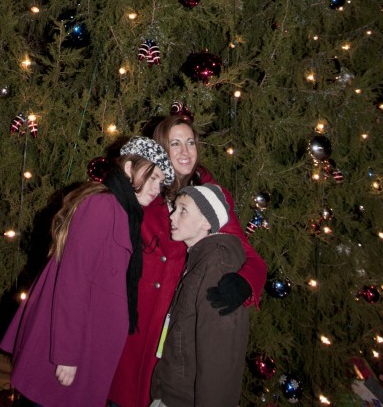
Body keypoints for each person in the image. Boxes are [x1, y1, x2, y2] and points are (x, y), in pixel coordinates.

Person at [107, 106, 267, 407]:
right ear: (160, 149)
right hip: (132, 328)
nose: (185, 151)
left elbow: (252, 259)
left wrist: (245, 283)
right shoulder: (143, 191)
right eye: (175, 143)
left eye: (190, 142)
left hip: (173, 333)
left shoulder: (209, 198)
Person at [0, 136, 175, 407]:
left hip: (90, 345)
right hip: (68, 350)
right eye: (152, 177)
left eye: (160, 182)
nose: (156, 188)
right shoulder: (103, 206)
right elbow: (74, 280)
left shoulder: (126, 213)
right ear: (129, 167)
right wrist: (67, 354)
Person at [149, 184, 249, 407]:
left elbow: (219, 354)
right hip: (170, 393)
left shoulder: (217, 267)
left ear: (207, 222)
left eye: (183, 210)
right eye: (174, 208)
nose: (172, 216)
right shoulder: (199, 260)